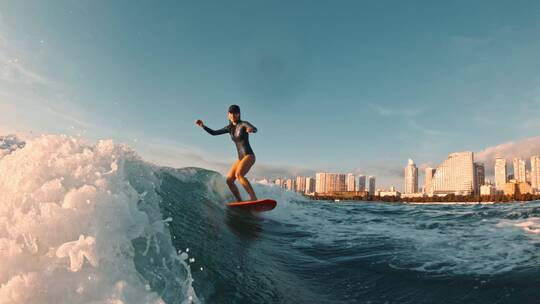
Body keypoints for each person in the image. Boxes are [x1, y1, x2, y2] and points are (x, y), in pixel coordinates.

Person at [196, 105, 258, 202]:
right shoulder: (229, 128)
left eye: (235, 113)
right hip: (240, 158)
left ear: (239, 114)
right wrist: (203, 126)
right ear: (228, 115)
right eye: (231, 113)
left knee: (239, 174)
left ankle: (253, 198)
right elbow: (214, 133)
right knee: (229, 180)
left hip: (249, 155)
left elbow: (254, 128)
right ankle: (239, 201)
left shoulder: (243, 124)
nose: (233, 115)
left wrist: (251, 130)